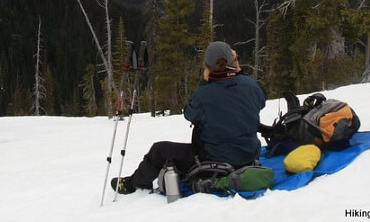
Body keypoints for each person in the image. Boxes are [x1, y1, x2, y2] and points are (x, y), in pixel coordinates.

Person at [111, 41, 266, 194]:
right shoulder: (251, 85)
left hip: (214, 157)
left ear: (208, 66)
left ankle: (133, 184)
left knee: (159, 150)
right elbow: (261, 101)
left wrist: (204, 83)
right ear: (232, 61)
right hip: (249, 155)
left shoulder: (205, 93)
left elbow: (189, 114)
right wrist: (238, 73)